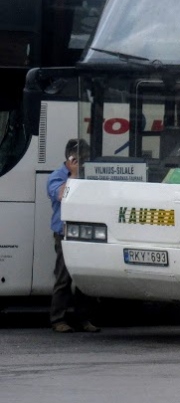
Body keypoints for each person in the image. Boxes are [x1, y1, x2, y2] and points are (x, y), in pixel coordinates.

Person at [48, 139, 100, 333]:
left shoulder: (90, 175)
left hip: (86, 233)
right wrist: (74, 174)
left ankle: (83, 318)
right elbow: (61, 195)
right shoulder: (57, 176)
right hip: (64, 234)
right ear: (69, 158)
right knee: (63, 278)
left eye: (85, 158)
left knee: (84, 279)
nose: (83, 162)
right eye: (79, 158)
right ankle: (58, 319)